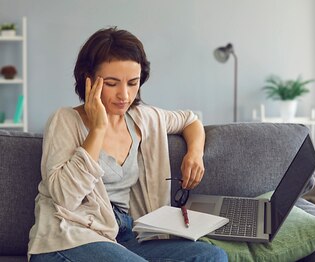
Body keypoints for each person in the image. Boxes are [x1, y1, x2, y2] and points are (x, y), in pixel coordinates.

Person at [28, 27, 228, 262]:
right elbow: (64, 198)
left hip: (124, 233)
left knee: (211, 256)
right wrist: (98, 129)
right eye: (112, 83)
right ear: (88, 80)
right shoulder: (65, 120)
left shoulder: (144, 118)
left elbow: (190, 120)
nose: (124, 95)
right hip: (71, 236)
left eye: (133, 83)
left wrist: (194, 154)